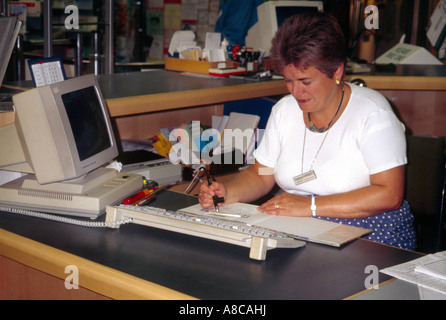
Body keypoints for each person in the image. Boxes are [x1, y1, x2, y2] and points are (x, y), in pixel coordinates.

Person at [198, 12, 416, 250]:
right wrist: (228, 192)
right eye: (288, 80)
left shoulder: (374, 114)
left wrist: (310, 206)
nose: (295, 91)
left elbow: (389, 195)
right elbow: (260, 174)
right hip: (299, 224)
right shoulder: (284, 111)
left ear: (337, 72)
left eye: (305, 81)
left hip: (368, 233)